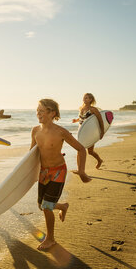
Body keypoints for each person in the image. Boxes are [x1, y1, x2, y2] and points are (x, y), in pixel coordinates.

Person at [31, 99, 91, 250]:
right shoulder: (35, 131)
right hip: (44, 172)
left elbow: (81, 149)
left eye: (42, 111)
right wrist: (27, 176)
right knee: (41, 205)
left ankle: (50, 239)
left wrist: (82, 170)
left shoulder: (60, 132)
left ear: (52, 113)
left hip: (58, 171)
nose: (38, 113)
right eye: (37, 110)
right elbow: (31, 155)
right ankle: (63, 206)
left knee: (46, 206)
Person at [72, 93, 105, 169]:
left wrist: (102, 132)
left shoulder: (93, 110)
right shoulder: (81, 108)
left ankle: (99, 160)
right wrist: (76, 120)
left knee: (90, 152)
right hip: (81, 132)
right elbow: (82, 118)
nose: (84, 99)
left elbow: (100, 121)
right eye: (84, 97)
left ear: (90, 99)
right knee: (79, 150)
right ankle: (79, 169)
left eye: (86, 98)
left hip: (90, 133)